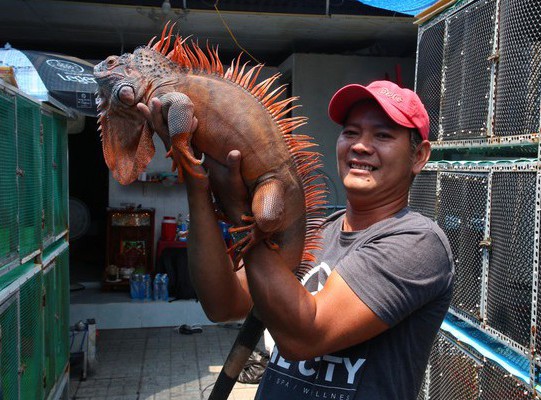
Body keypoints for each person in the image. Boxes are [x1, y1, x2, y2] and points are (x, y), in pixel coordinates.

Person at [139, 80, 454, 399]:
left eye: (383, 135)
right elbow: (223, 304)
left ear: (419, 156)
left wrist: (240, 211)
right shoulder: (315, 233)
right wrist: (196, 182)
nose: (360, 145)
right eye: (351, 132)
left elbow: (303, 337)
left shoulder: (417, 242)